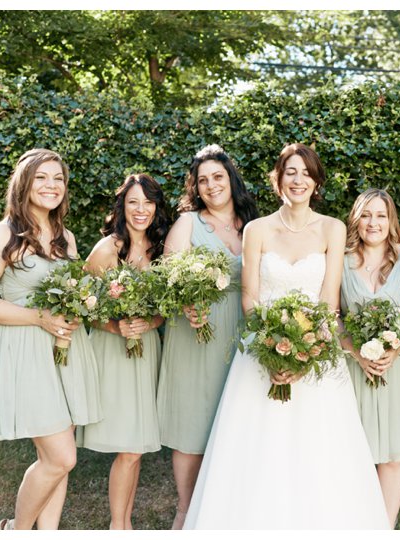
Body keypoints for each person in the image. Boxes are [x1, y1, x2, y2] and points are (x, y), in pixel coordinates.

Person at [183, 143, 389, 529]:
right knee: (258, 452)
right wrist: (272, 349)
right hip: (261, 352)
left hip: (316, 354)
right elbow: (249, 296)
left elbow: (329, 305)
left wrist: (303, 353)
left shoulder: (332, 228)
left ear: (316, 183)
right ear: (277, 178)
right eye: (290, 172)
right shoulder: (257, 230)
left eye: (306, 174)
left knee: (319, 453)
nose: (298, 180)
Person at [0, 148, 102, 530]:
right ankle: (15, 532)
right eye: (42, 177)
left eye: (58, 179)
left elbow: (73, 290)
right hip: (27, 349)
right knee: (61, 457)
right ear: (24, 183)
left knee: (56, 458)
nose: (51, 185)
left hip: (66, 351)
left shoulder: (65, 237)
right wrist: (40, 318)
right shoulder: (2, 235)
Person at [155, 145, 258, 529]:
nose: (212, 185)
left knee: (233, 417)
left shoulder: (253, 225)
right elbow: (167, 280)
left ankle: (226, 509)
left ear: (231, 179)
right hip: (196, 332)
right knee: (193, 423)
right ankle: (186, 511)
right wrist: (185, 307)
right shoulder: (188, 224)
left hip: (240, 331)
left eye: (218, 177)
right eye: (203, 180)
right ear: (195, 188)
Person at [78, 173, 171, 529]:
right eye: (133, 202)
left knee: (138, 445)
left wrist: (150, 323)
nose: (141, 209)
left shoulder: (161, 250)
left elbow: (165, 309)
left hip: (146, 349)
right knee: (130, 447)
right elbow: (82, 304)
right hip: (114, 351)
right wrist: (116, 326)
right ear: (122, 206)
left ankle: (125, 524)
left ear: (156, 207)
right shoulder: (107, 249)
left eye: (148, 202)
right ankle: (118, 527)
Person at [340, 188, 400, 528]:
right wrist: (356, 352)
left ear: (390, 220)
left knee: (393, 456)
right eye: (366, 215)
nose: (373, 222)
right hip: (352, 369)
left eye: (380, 215)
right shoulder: (340, 260)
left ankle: (383, 528)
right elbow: (331, 315)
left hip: (398, 369)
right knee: (353, 453)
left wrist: (396, 348)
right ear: (356, 219)